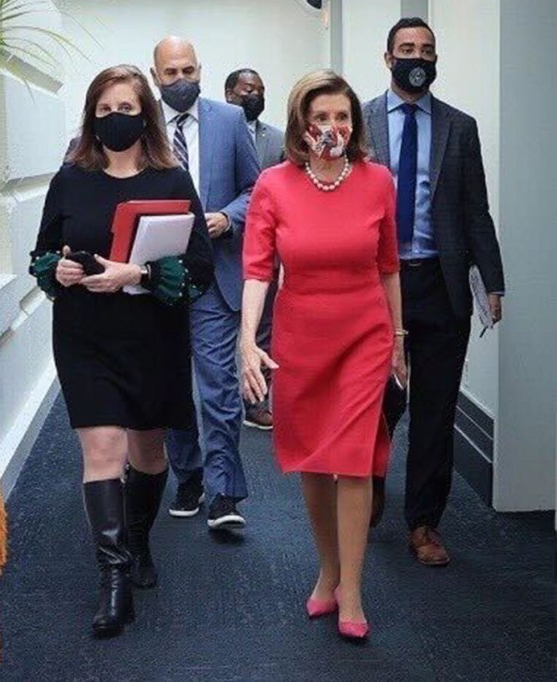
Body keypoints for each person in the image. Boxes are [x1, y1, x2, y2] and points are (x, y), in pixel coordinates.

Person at [29, 65, 214, 638]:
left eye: (126, 108)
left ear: (146, 114)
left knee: (149, 451)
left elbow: (201, 271)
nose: (115, 119)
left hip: (152, 336)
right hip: (85, 335)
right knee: (103, 451)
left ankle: (138, 538)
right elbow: (41, 258)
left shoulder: (172, 181)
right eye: (104, 110)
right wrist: (55, 269)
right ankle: (113, 581)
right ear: (91, 117)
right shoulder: (70, 179)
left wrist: (138, 273)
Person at [239, 70, 406, 641]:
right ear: (300, 125)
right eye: (321, 118)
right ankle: (328, 569)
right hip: (301, 335)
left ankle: (353, 589)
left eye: (342, 117)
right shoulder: (273, 184)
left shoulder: (378, 180)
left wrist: (399, 341)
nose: (333, 127)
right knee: (312, 459)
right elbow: (258, 270)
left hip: (364, 333)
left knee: (355, 458)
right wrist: (246, 342)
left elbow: (388, 265)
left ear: (355, 122)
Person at [363, 18, 504, 564]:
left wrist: (492, 281)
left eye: (425, 49)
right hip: (376, 283)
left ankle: (423, 523)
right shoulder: (359, 123)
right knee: (376, 398)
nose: (416, 57)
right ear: (387, 57)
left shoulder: (458, 127)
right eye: (406, 49)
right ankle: (371, 476)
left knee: (436, 407)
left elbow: (475, 211)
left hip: (440, 282)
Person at [151, 37, 261, 530]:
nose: (180, 81)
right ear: (155, 77)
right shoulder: (142, 124)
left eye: (188, 71)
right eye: (170, 73)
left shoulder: (230, 121)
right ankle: (189, 475)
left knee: (219, 389)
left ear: (200, 70)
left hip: (215, 276)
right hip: (158, 278)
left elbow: (256, 187)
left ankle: (224, 493)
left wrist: (228, 217)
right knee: (172, 386)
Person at [225, 68, 285, 431]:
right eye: (248, 90)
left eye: (261, 90)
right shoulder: (216, 134)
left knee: (264, 326)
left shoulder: (277, 139)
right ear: (230, 94)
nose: (256, 96)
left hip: (266, 247)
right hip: (225, 242)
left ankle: (256, 401)